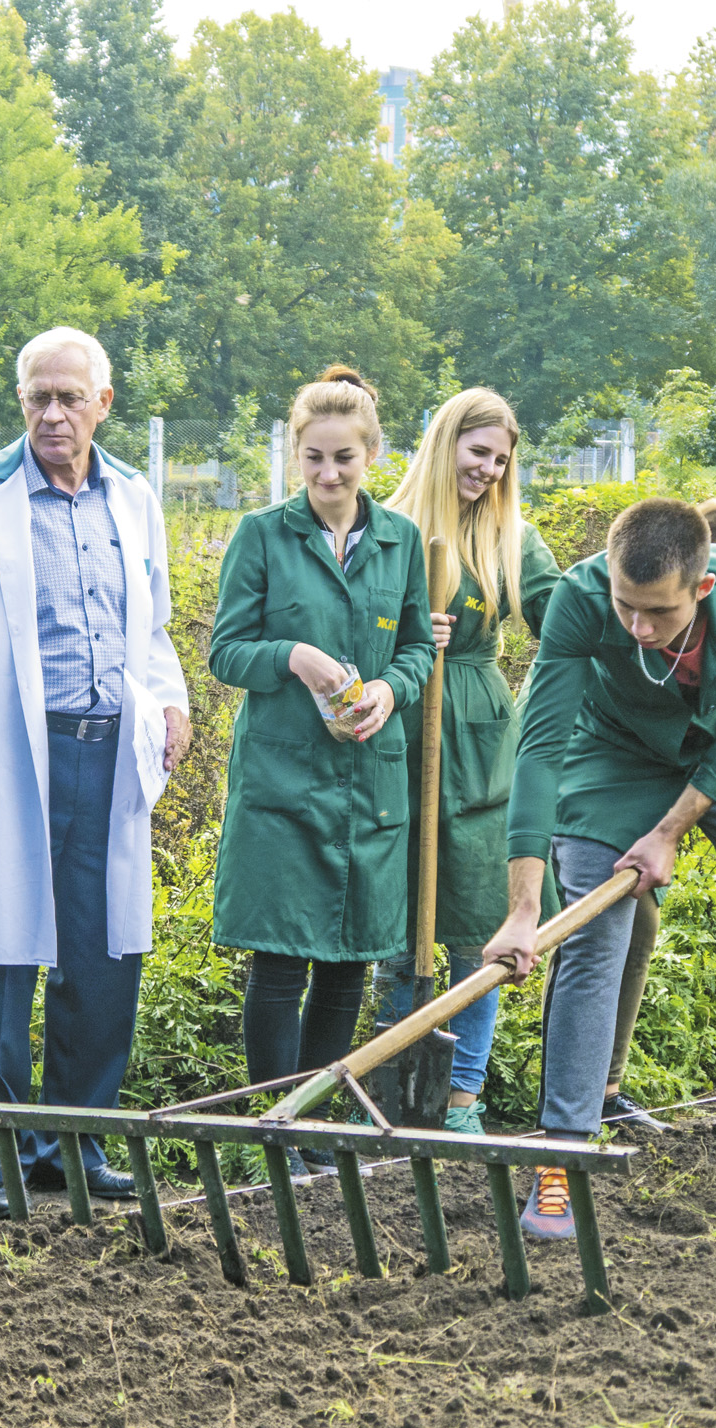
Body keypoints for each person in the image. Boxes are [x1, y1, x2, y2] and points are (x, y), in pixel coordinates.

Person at [0, 326, 190, 1218]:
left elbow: (153, 627)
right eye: (38, 398)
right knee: (2, 955)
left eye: (70, 397)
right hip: (14, 756)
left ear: (105, 404)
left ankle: (75, 1140)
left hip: (110, 752)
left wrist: (170, 702)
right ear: (19, 402)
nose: (53, 414)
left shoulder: (134, 500)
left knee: (105, 957)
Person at [485, 497, 716, 1244]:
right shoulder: (581, 602)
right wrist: (522, 908)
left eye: (658, 612)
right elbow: (540, 748)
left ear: (700, 589)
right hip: (610, 753)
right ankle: (563, 1156)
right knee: (593, 941)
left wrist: (672, 827)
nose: (638, 627)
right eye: (626, 605)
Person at [207, 367, 435, 1172]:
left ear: (372, 453)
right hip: (283, 781)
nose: (328, 475)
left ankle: (313, 1124)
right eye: (312, 459)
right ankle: (275, 1134)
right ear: (294, 457)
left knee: (347, 961)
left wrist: (388, 689)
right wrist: (296, 656)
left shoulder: (404, 542)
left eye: (343, 457)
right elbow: (224, 650)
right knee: (280, 961)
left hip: (369, 782)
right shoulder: (262, 535)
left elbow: (415, 649)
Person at [372, 389, 562, 1135]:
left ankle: (462, 1098)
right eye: (476, 452)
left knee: (477, 922)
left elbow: (557, 609)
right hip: (401, 728)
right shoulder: (389, 526)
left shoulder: (515, 535)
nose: (486, 470)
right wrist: (410, 634)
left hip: (479, 735)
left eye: (500, 460)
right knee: (398, 923)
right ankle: (392, 1089)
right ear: (444, 442)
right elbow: (356, 623)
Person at [580, 494, 716, 1134]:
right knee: (618, 923)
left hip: (714, 762)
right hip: (623, 757)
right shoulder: (630, 613)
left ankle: (606, 1089)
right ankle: (590, 1097)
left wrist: (678, 824)